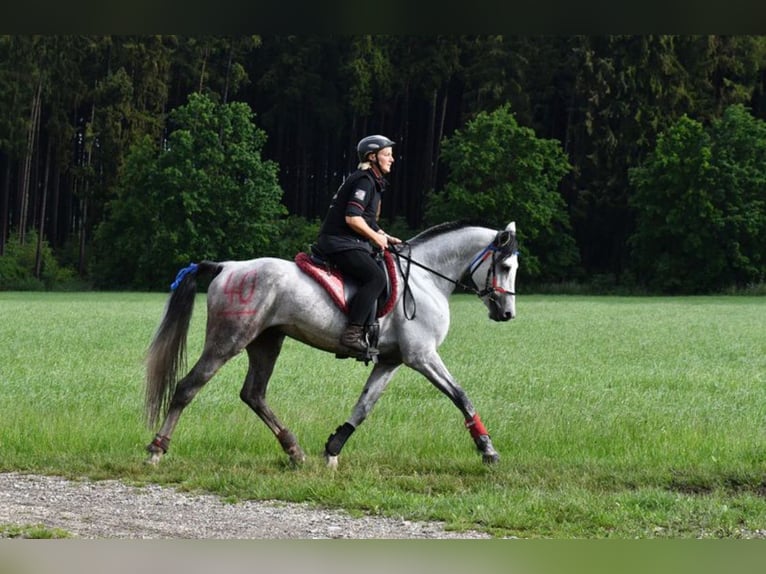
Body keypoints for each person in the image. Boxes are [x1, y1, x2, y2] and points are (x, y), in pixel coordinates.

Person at [316, 134, 402, 354]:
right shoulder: (364, 180)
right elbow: (352, 218)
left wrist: (384, 235)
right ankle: (352, 334)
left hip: (349, 242)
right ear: (372, 157)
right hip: (339, 242)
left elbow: (368, 221)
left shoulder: (373, 181)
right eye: (387, 155)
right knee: (376, 278)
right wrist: (376, 238)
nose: (392, 159)